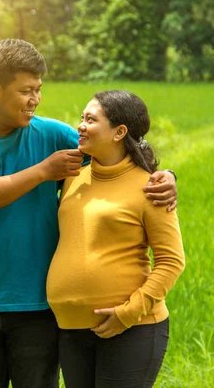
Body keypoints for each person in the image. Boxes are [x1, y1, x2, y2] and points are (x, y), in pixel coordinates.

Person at [0, 39, 178, 388]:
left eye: (39, 90)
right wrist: (43, 172)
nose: (35, 100)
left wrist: (166, 177)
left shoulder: (51, 134)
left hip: (39, 310)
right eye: (26, 91)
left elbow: (118, 156)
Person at [47, 90, 186, 387]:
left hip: (131, 329)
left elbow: (171, 261)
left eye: (91, 119)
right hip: (71, 329)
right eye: (81, 118)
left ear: (119, 132)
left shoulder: (151, 187)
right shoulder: (73, 176)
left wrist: (128, 313)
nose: (81, 126)